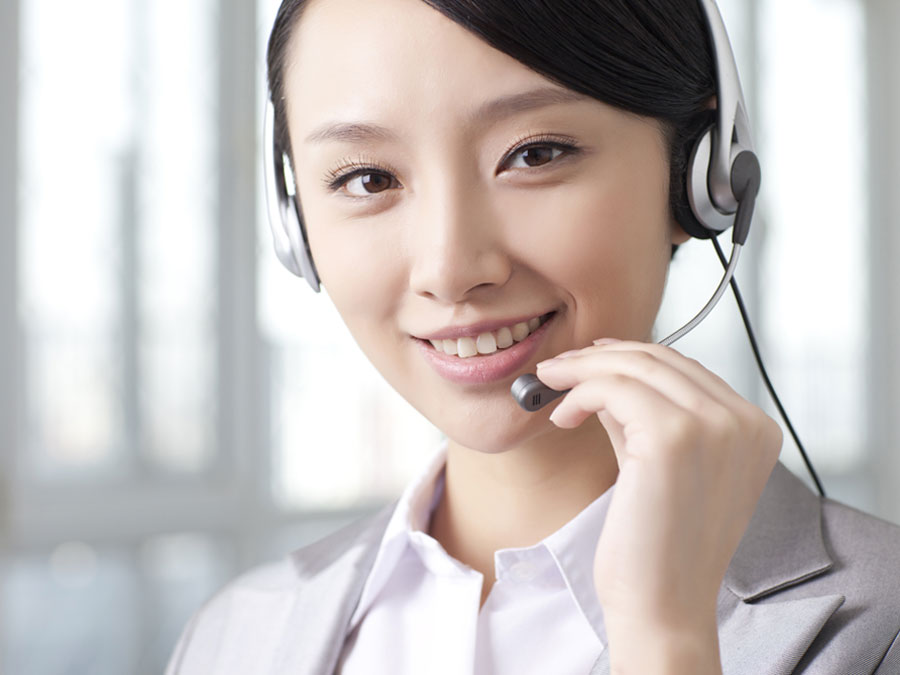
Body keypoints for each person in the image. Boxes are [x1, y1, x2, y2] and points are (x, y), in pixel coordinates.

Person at [166, 0, 900, 673]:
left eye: (535, 154)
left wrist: (665, 634)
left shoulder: (881, 626)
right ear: (295, 226)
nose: (452, 268)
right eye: (366, 178)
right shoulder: (233, 637)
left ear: (700, 174)